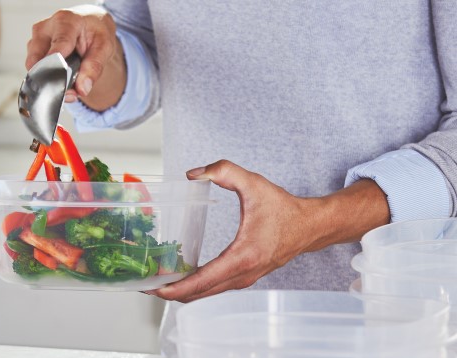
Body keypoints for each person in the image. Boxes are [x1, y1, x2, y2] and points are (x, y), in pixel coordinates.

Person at [26, 1, 457, 307]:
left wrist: (317, 221)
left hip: (401, 320)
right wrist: (98, 51)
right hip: (209, 324)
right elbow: (152, 54)